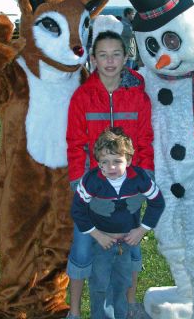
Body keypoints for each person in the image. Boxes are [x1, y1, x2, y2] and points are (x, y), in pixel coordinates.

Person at [66, 24, 155, 319]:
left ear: (125, 57)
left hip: (127, 188)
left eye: (116, 54)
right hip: (91, 190)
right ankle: (76, 311)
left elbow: (144, 142)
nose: (109, 61)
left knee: (129, 249)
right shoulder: (82, 97)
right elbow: (75, 142)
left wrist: (145, 180)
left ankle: (129, 306)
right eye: (102, 55)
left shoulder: (138, 97)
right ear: (93, 59)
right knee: (82, 248)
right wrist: (80, 184)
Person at [71, 128, 165, 319]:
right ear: (98, 164)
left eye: (117, 161)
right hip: (102, 243)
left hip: (127, 243)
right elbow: (77, 210)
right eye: (105, 162)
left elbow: (157, 202)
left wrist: (142, 229)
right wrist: (97, 234)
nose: (111, 167)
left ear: (128, 161)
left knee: (122, 284)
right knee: (100, 286)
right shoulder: (91, 181)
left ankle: (120, 315)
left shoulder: (138, 178)